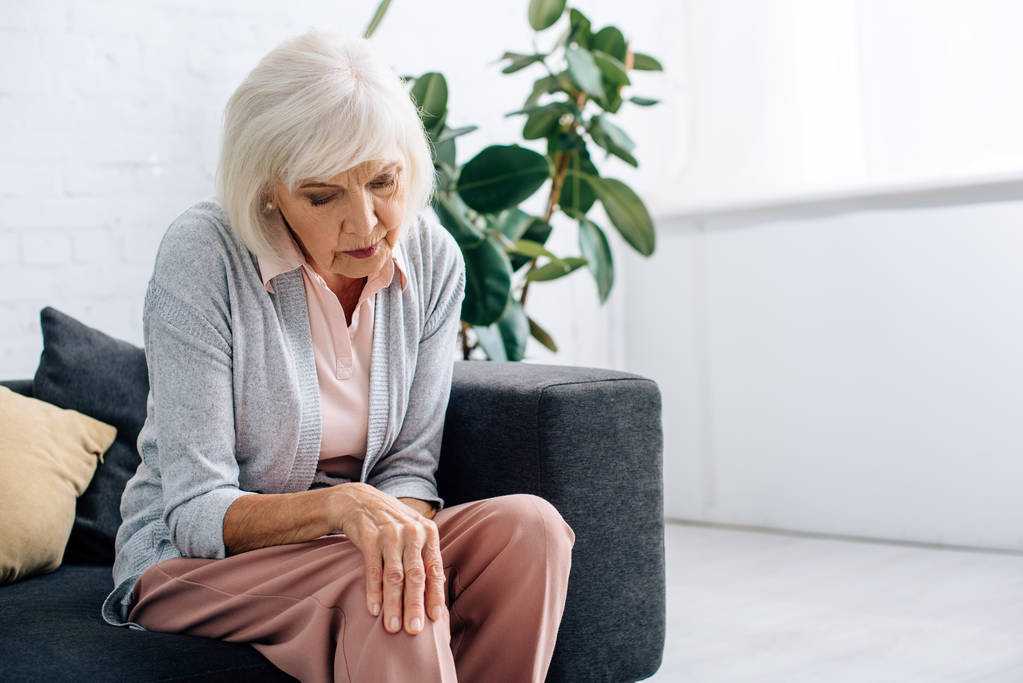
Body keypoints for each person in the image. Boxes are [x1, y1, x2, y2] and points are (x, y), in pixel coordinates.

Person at [100, 29, 576, 683]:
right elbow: (195, 509)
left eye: (383, 181)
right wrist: (341, 511)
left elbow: (409, 468)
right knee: (372, 582)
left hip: (344, 545)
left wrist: (392, 542)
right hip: (191, 562)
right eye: (322, 196)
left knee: (531, 530)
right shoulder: (204, 253)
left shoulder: (434, 258)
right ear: (270, 191)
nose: (366, 222)